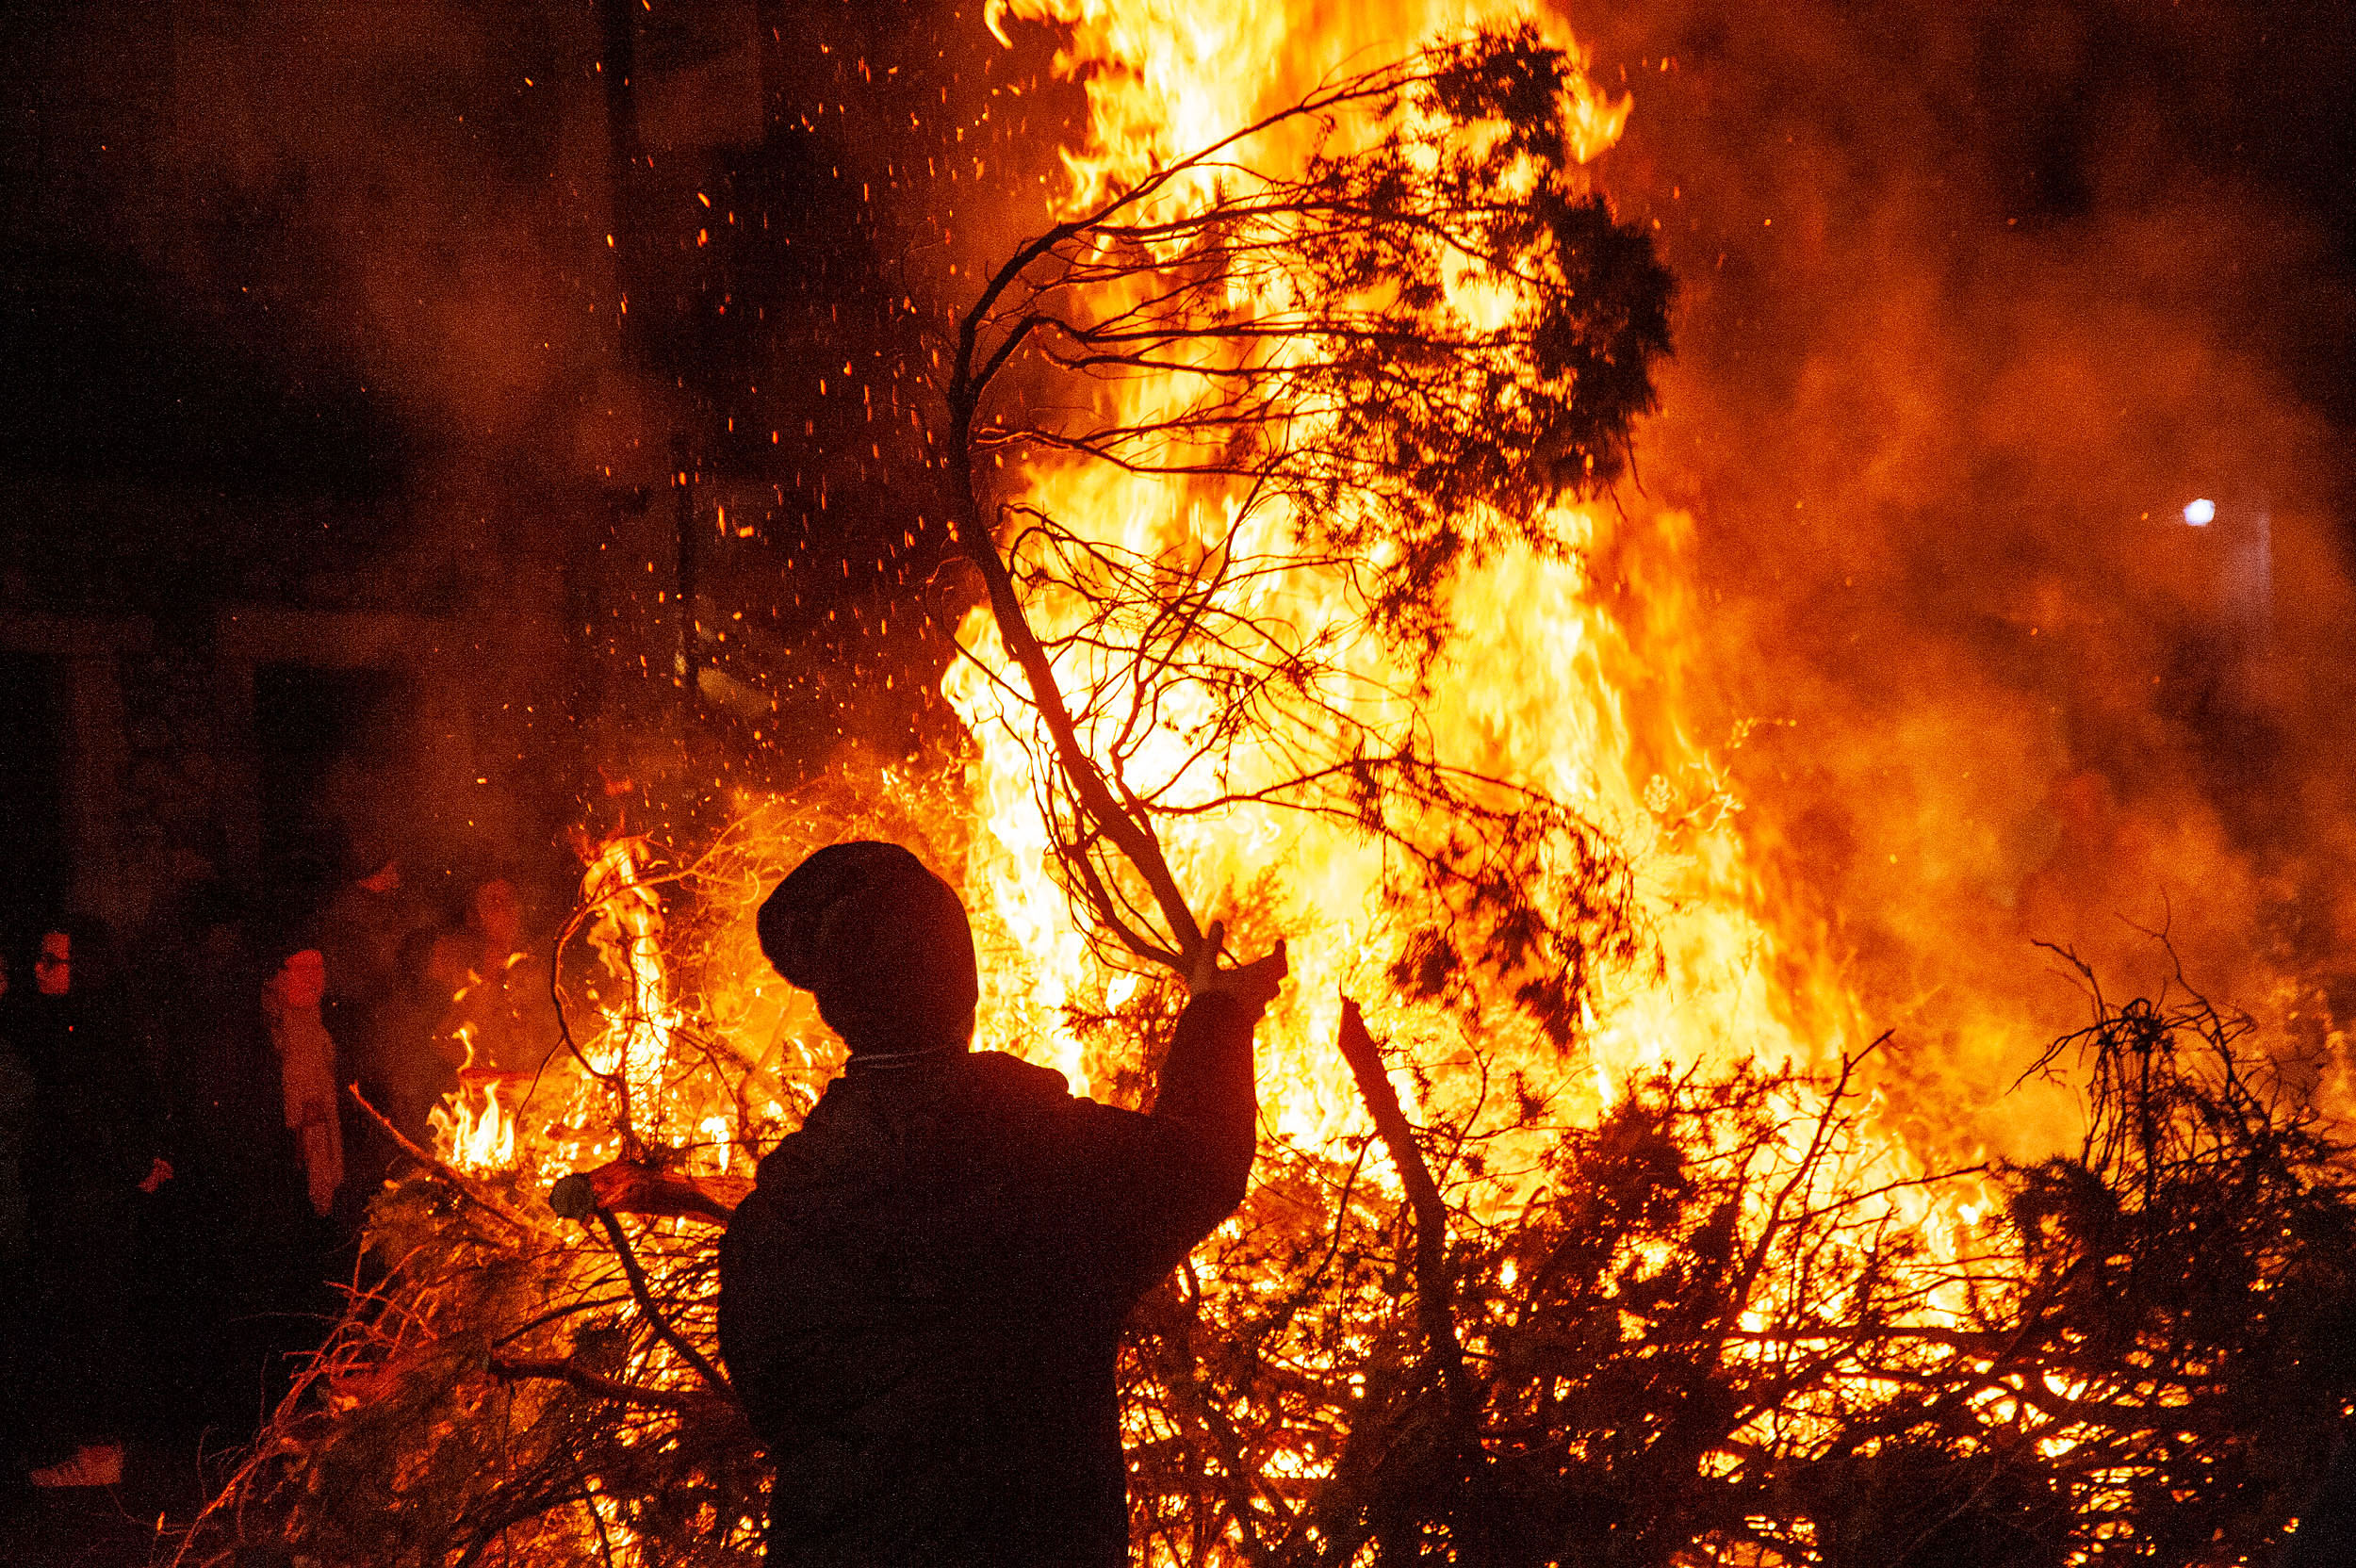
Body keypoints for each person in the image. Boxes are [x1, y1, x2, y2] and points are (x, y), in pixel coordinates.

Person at [718, 841, 1285, 1566]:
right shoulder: (1044, 1160)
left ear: (838, 1007)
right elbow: (1199, 1163)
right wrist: (1216, 1015)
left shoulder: (774, 1221)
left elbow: (774, 1407)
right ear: (964, 986)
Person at [11, 922, 172, 1489]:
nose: (38, 968)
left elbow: (90, 1113)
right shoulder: (85, 1022)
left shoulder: (89, 1031)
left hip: (87, 1201)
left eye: (51, 960)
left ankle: (100, 1454)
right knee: (93, 1321)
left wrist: (140, 1162)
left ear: (86, 967)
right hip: (90, 1195)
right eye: (39, 957)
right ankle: (99, 1447)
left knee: (92, 1324)